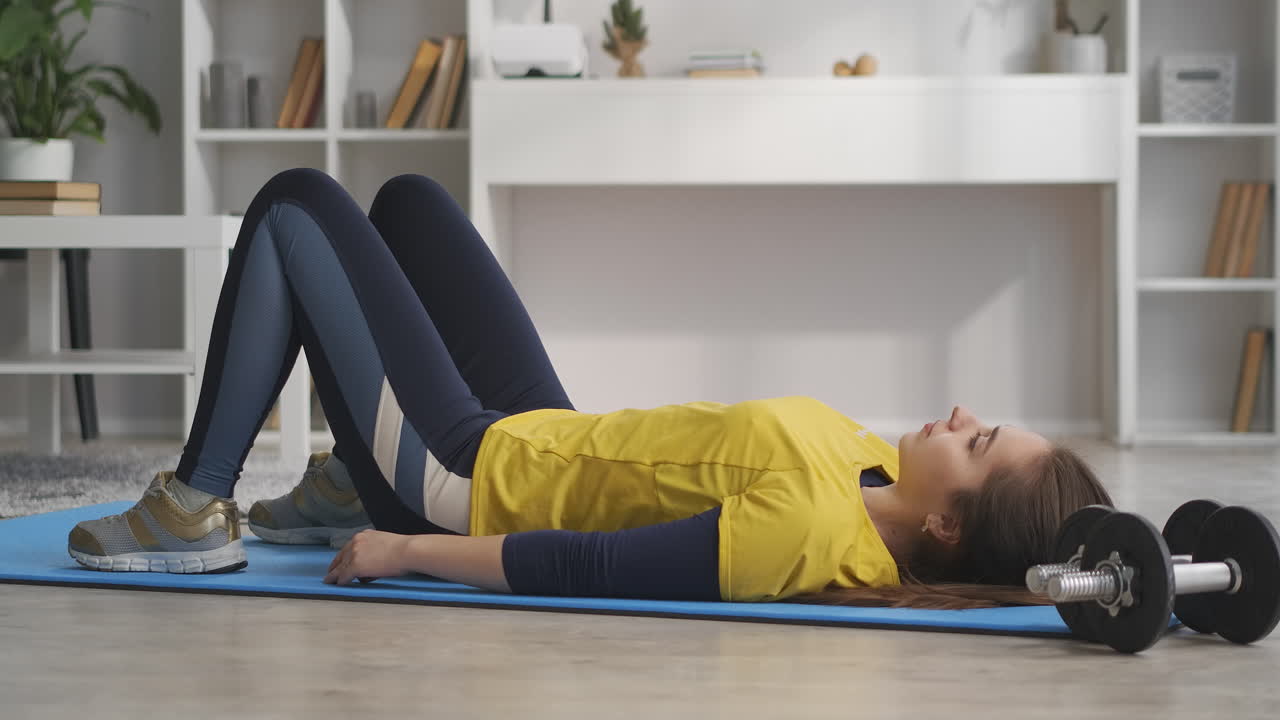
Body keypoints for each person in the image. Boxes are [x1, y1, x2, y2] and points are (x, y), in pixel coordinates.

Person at [66, 168, 1112, 608]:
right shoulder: (870, 455)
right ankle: (344, 476)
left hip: (461, 477)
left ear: (939, 530)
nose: (966, 417)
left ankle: (193, 508)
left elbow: (594, 563)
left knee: (296, 207)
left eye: (977, 445)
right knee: (409, 203)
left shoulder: (803, 532)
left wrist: (407, 549)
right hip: (540, 434)